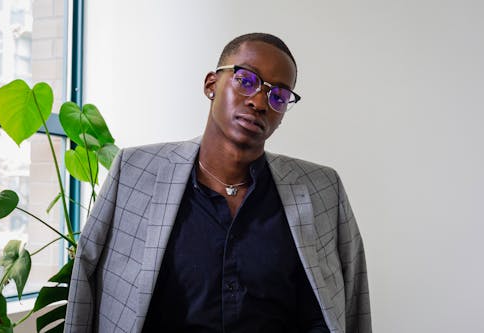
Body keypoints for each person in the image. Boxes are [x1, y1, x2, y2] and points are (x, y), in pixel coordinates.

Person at [65, 32, 371, 333]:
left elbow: (350, 298)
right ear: (211, 84)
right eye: (246, 81)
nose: (259, 102)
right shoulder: (135, 171)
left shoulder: (321, 188)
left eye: (278, 95)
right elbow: (87, 279)